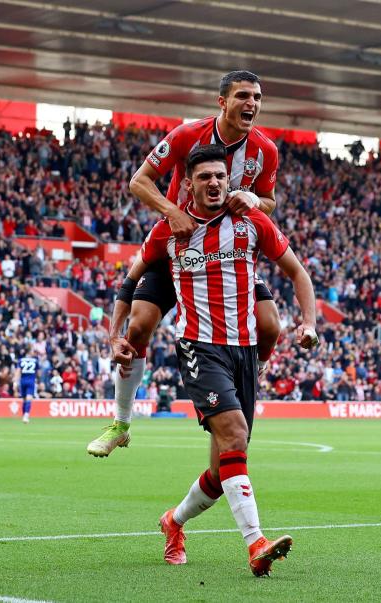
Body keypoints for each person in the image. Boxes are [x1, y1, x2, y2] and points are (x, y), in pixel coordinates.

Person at [105, 144, 319, 575]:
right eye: (205, 177)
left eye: (221, 176)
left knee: (223, 471)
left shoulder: (252, 221)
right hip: (198, 347)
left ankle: (173, 522)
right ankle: (255, 543)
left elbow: (298, 272)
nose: (215, 183)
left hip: (242, 351)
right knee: (235, 433)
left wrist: (309, 323)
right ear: (188, 184)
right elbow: (129, 284)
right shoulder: (169, 230)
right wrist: (115, 334)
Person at [87, 70, 281, 457]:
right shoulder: (185, 135)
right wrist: (172, 211)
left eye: (257, 97)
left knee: (270, 326)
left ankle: (249, 373)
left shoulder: (265, 151)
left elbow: (269, 200)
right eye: (243, 96)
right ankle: (121, 423)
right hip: (178, 245)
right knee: (139, 325)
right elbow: (139, 181)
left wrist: (255, 202)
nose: (252, 104)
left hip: (226, 253)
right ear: (222, 101)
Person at [17, 350, 39, 424]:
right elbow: (39, 373)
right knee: (29, 398)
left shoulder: (20, 360)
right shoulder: (35, 361)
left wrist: (15, 382)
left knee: (24, 399)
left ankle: (24, 416)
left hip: (23, 381)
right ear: (30, 352)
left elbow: (18, 371)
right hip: (31, 381)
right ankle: (26, 415)